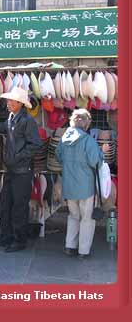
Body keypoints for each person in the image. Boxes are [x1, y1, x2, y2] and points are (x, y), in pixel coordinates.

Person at [0, 87, 42, 252]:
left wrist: (18, 156)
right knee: (5, 205)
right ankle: (6, 237)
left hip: (22, 171)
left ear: (20, 103)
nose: (8, 103)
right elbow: (3, 127)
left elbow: (36, 145)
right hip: (12, 170)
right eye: (8, 100)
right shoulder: (12, 118)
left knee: (19, 207)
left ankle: (19, 241)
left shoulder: (28, 121)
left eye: (11, 101)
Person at [55, 108, 109, 259]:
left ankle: (70, 246)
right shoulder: (88, 140)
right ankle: (83, 251)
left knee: (73, 216)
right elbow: (95, 162)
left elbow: (59, 157)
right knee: (87, 218)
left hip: (69, 185)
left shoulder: (64, 137)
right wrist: (102, 151)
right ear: (86, 124)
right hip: (85, 187)